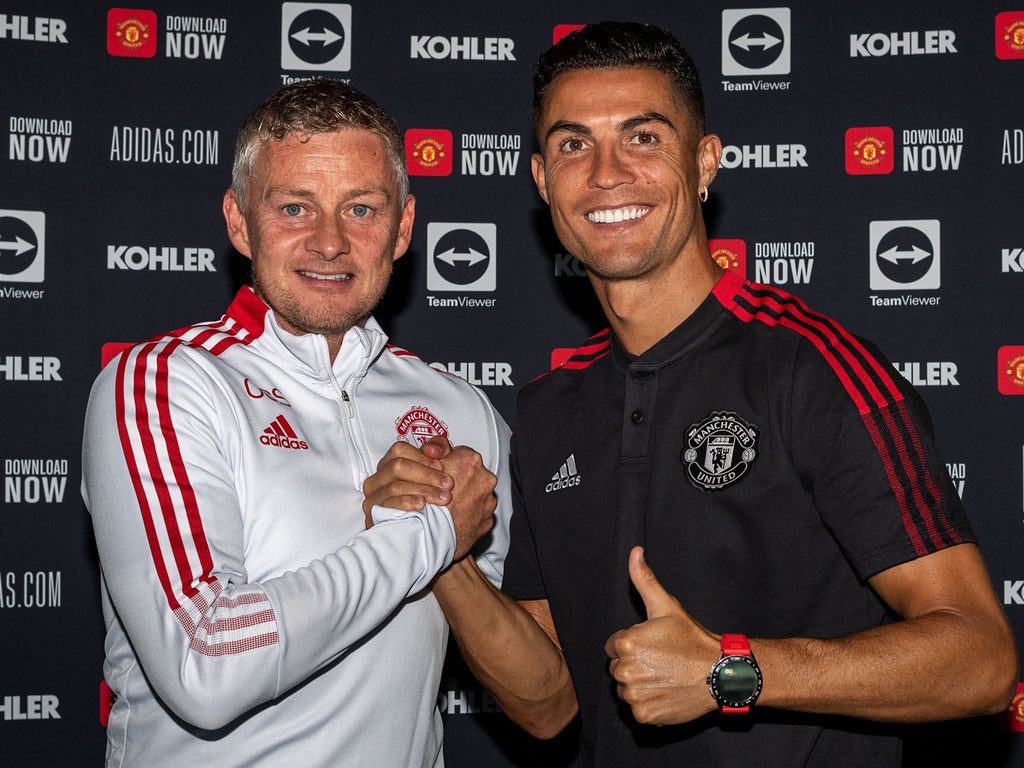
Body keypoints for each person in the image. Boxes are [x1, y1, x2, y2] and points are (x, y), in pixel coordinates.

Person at [363, 21, 1018, 767]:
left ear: (704, 162)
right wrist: (444, 549)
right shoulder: (549, 408)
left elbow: (982, 661)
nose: (606, 173)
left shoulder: (813, 369)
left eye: (643, 138)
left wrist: (728, 673)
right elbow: (548, 706)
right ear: (543, 181)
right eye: (574, 145)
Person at [81, 79, 510, 768]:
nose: (329, 242)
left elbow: (538, 687)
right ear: (239, 221)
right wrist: (429, 534)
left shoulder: (461, 408)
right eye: (294, 208)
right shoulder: (164, 382)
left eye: (361, 208)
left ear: (403, 228)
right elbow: (204, 666)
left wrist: (450, 560)